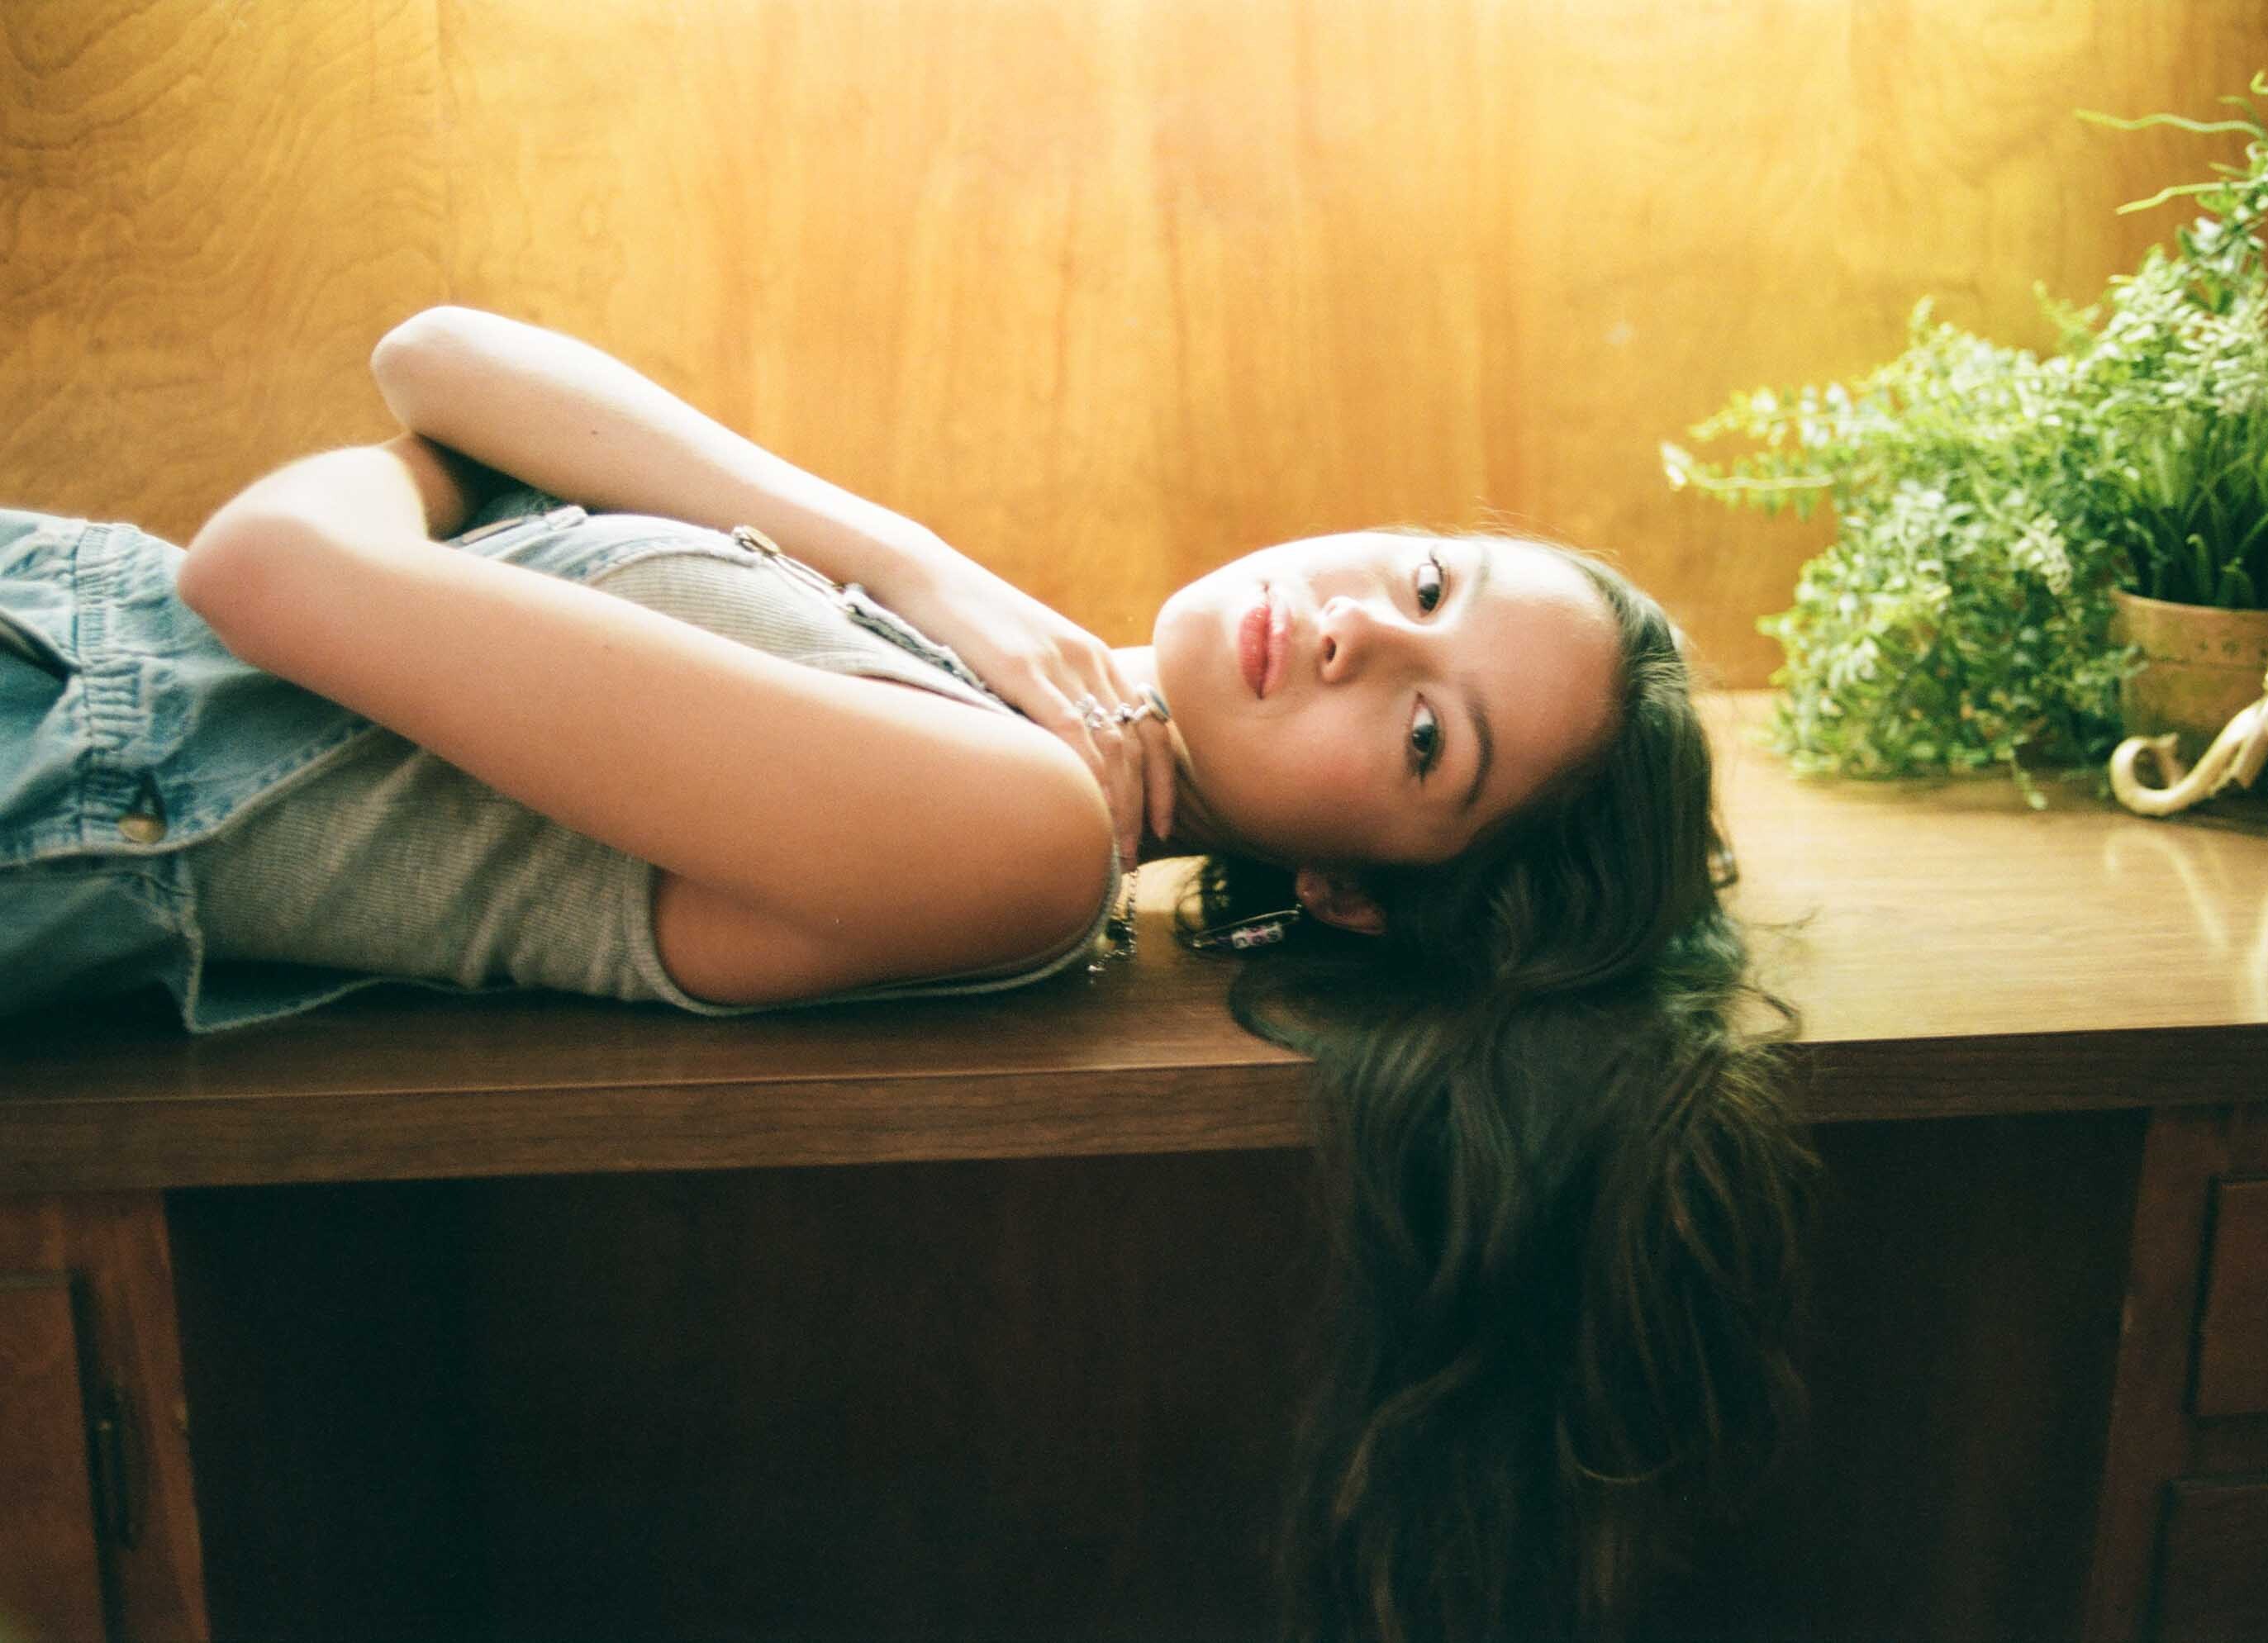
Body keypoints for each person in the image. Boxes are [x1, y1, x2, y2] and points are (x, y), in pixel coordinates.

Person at [0, 306, 1814, 1639]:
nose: (1354, 628)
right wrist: (924, 563)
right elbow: (439, 357)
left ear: (1347, 897)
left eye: (1426, 737)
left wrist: (421, 485)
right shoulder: (998, 685)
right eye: (1426, 580)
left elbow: (267, 567)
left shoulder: (1015, 835)